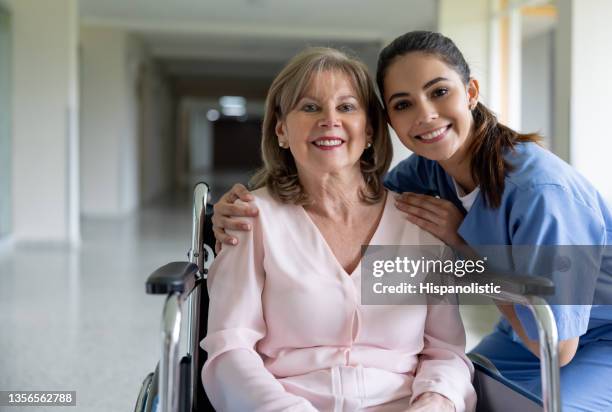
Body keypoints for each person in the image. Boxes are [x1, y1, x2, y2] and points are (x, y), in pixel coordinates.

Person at [213, 31, 612, 411]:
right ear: (388, 119)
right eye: (403, 104)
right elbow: (341, 193)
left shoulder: (543, 194)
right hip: (519, 331)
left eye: (439, 92)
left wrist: (462, 246)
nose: (426, 115)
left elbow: (556, 346)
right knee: (476, 388)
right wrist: (248, 206)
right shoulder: (427, 175)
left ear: (470, 92)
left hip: (582, 336)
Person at [201, 47, 476, 412]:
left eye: (346, 107)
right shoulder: (253, 220)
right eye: (310, 107)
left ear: (369, 130)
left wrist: (436, 402)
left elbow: (446, 352)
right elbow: (229, 350)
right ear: (282, 130)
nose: (329, 120)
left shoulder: (417, 221)